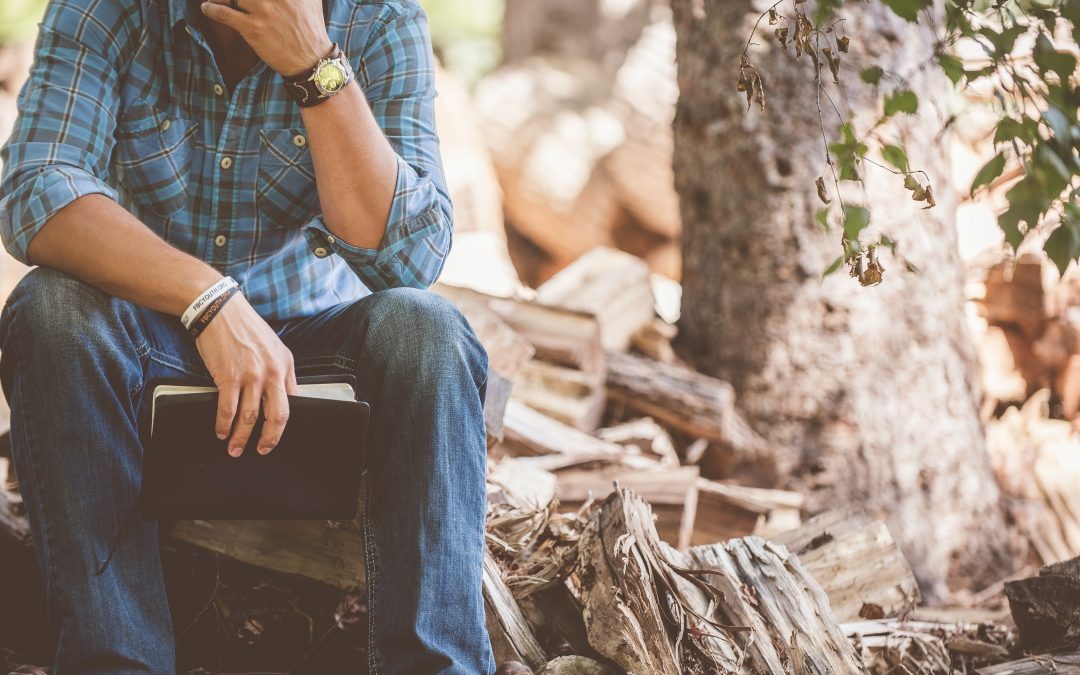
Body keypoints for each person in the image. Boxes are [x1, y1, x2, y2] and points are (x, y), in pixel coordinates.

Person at [0, 0, 500, 672]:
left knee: (429, 332)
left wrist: (314, 67)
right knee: (49, 307)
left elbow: (409, 259)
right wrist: (205, 298)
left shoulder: (380, 17)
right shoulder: (105, 9)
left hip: (312, 371)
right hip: (143, 355)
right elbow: (36, 190)